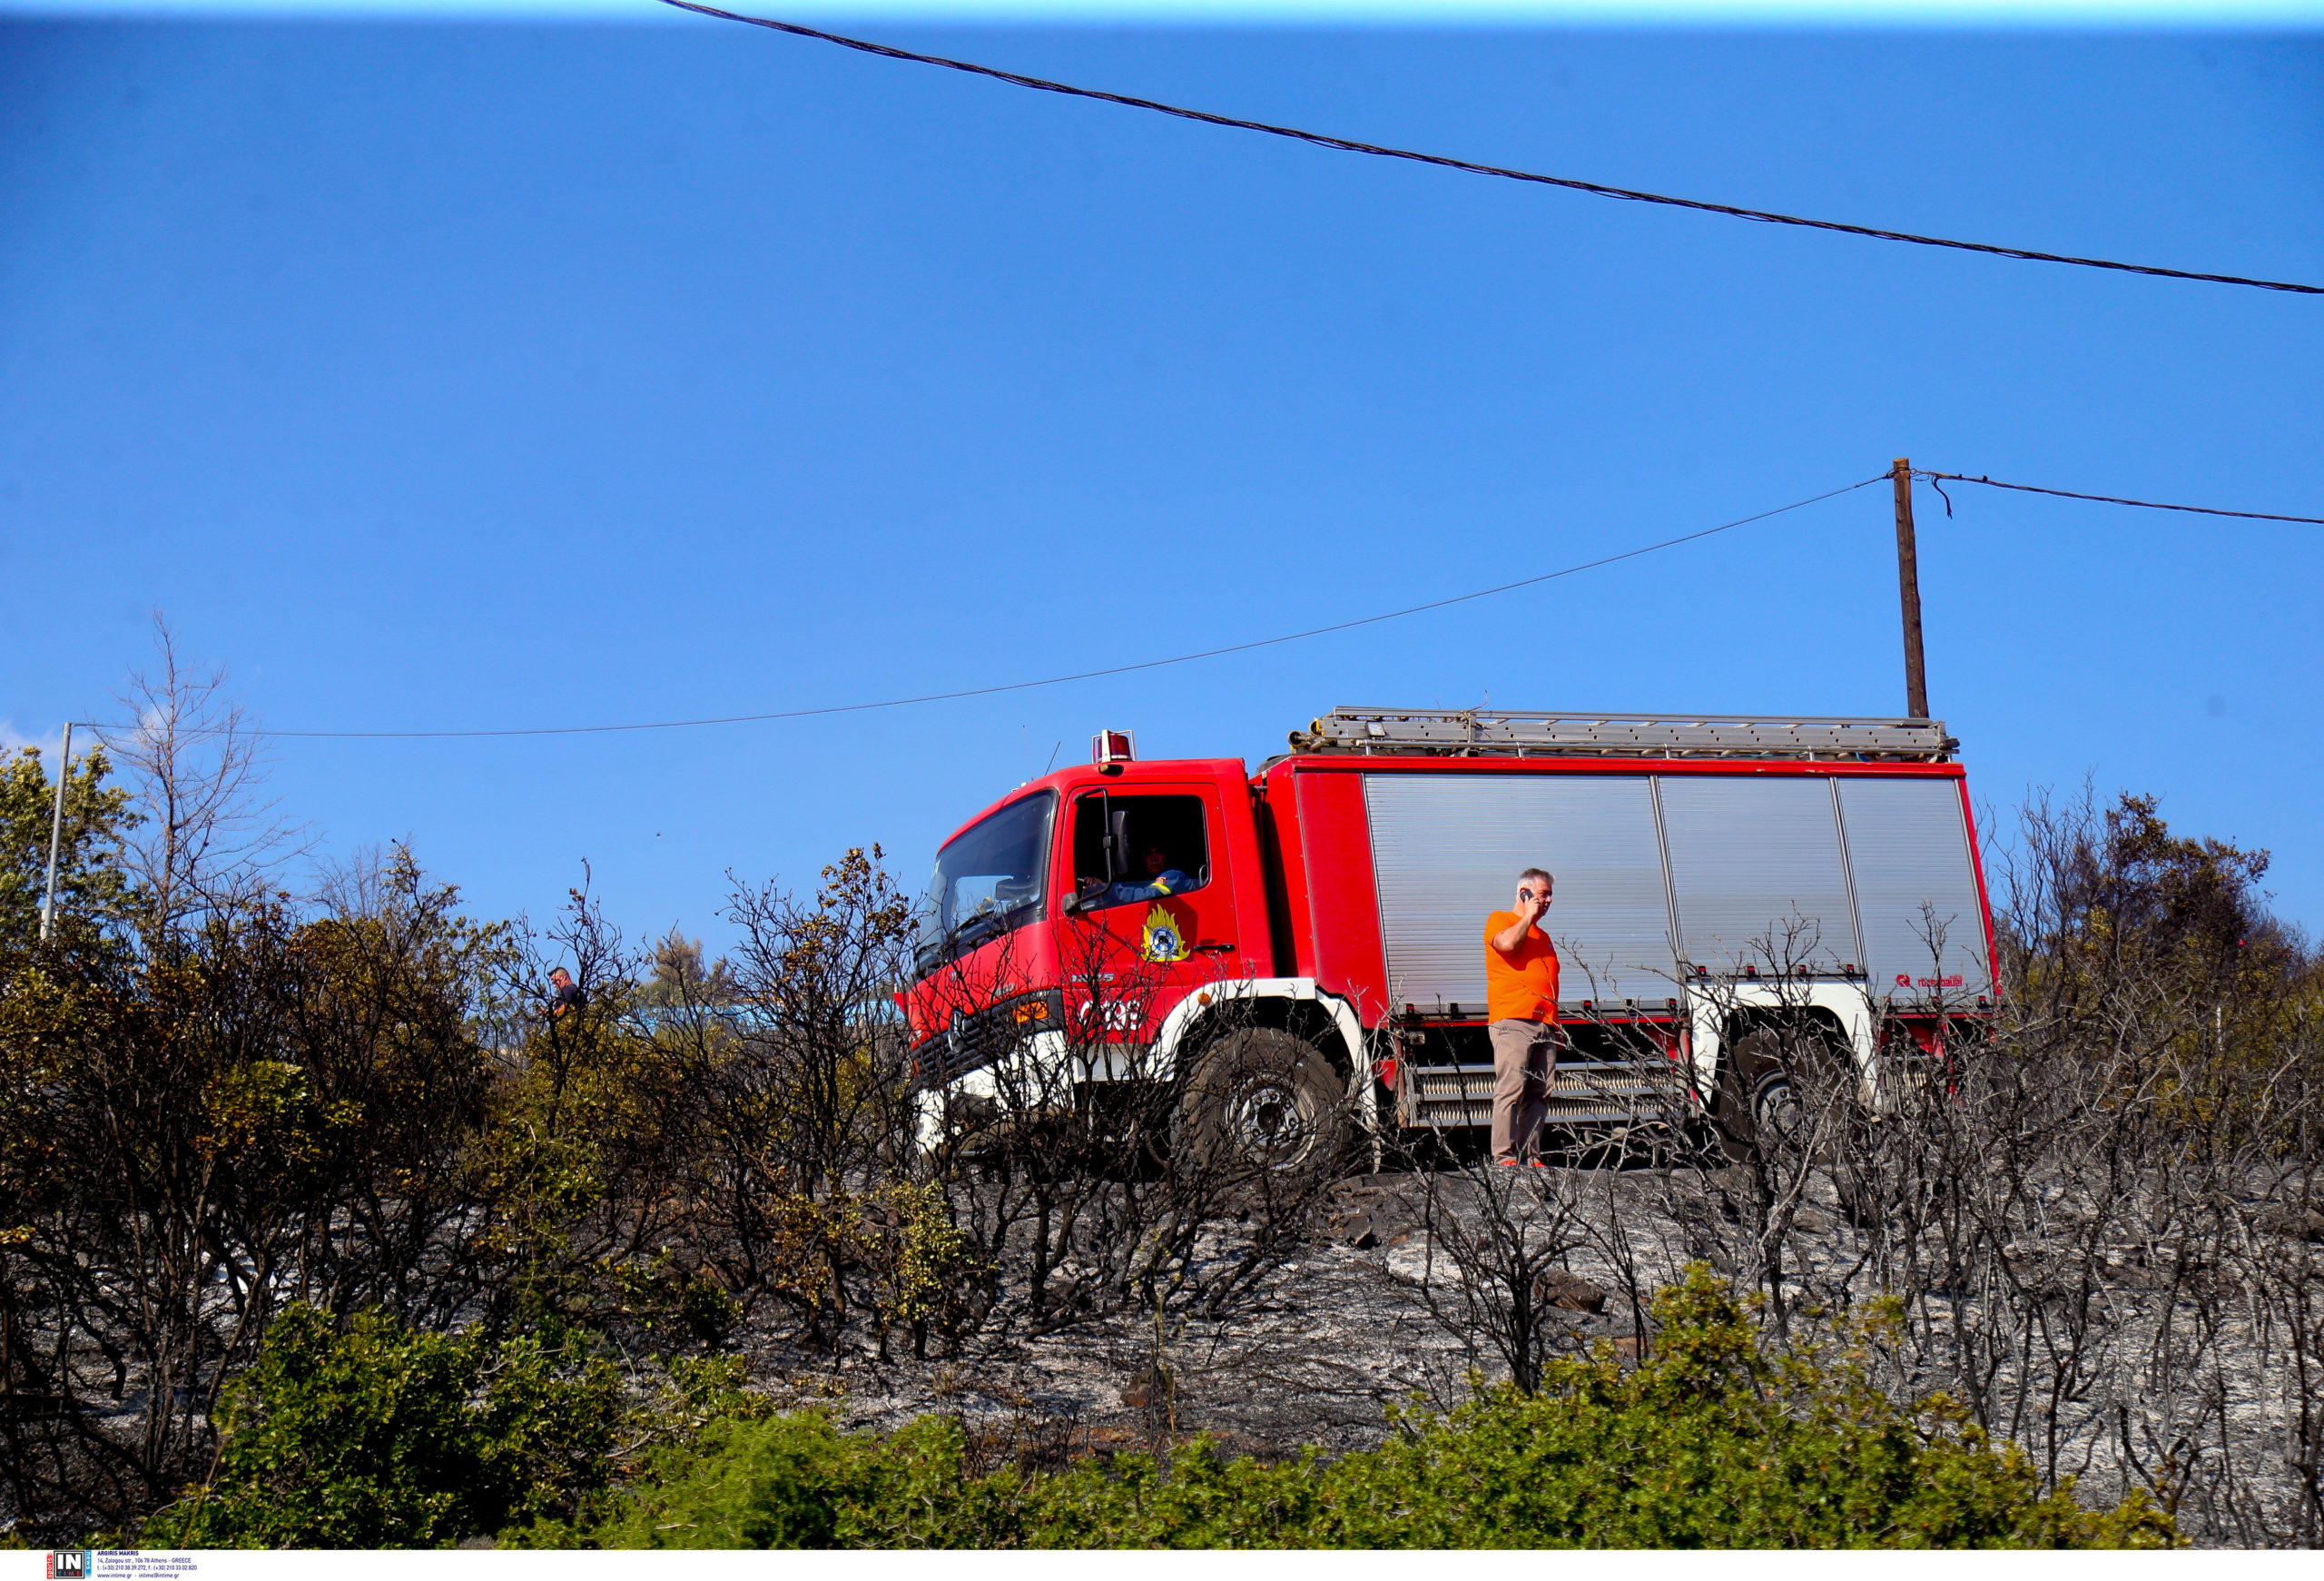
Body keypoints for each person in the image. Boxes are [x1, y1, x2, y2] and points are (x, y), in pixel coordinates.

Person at [1483, 868, 1561, 1166]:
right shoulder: (1500, 920)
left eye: (1551, 895)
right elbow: (1506, 945)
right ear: (1524, 893)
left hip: (1545, 1024)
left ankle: (1532, 1156)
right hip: (1513, 1021)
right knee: (1512, 1088)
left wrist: (1556, 1024)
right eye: (1543, 894)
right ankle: (1505, 1157)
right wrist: (1527, 915)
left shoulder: (1544, 935)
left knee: (1539, 1093)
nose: (1549, 900)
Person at [1081, 844, 1193, 909]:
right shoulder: (1146, 879)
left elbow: (1151, 894)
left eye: (1158, 852)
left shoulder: (1174, 875)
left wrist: (1108, 888)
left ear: (1166, 856)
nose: (1153, 857)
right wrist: (1098, 893)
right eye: (1149, 853)